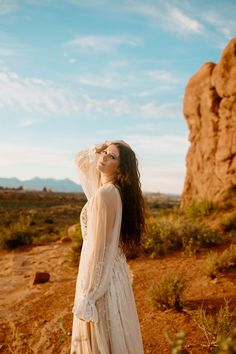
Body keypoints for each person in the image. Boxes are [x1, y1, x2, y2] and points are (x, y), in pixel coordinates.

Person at [70, 140, 145, 354]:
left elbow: (98, 249)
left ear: (121, 167)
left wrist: (89, 294)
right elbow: (81, 160)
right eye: (103, 153)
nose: (103, 157)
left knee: (103, 338)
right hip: (114, 273)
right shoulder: (110, 191)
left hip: (102, 278)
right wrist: (104, 146)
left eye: (111, 156)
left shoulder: (105, 195)